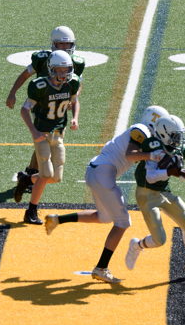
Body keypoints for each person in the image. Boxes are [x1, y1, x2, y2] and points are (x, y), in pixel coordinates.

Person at [44, 116, 166, 284]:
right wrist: (152, 155)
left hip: (95, 170)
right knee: (123, 222)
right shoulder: (141, 130)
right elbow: (130, 154)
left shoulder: (140, 134)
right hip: (104, 173)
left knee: (104, 217)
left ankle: (57, 219)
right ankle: (101, 268)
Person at [125, 114, 185, 277]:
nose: (179, 140)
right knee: (159, 240)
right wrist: (171, 172)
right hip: (146, 194)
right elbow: (150, 177)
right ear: (163, 134)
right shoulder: (153, 145)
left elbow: (174, 171)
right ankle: (136, 246)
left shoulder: (180, 149)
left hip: (163, 191)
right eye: (175, 136)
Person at [6, 26, 85, 185]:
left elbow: (77, 83)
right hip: (42, 101)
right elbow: (25, 74)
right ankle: (32, 175)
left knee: (49, 140)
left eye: (67, 44)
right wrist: (12, 92)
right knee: (45, 138)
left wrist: (72, 98)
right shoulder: (44, 59)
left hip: (60, 101)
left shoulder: (75, 62)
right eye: (61, 44)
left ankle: (31, 174)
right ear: (54, 44)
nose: (65, 47)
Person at [14, 50, 81, 225]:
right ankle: (31, 211)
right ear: (51, 69)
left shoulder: (73, 82)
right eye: (59, 70)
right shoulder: (40, 85)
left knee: (56, 177)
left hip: (58, 134)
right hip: (42, 134)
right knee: (46, 174)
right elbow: (24, 109)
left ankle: (27, 179)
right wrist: (34, 132)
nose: (63, 73)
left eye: (66, 69)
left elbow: (75, 101)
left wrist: (75, 117)